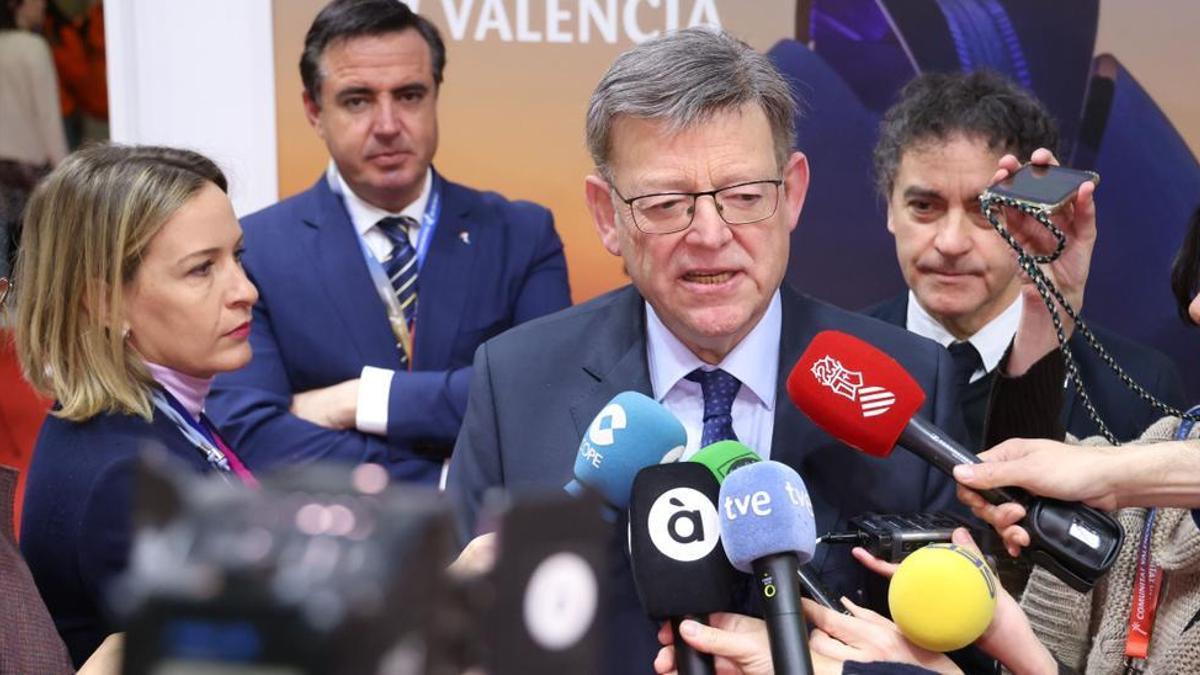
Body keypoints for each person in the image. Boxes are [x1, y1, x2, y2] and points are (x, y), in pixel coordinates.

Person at [446, 27, 969, 675]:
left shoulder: (909, 383)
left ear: (793, 193)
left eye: (745, 196)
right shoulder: (514, 383)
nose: (711, 235)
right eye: (667, 203)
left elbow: (950, 650)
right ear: (607, 214)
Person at [207, 0, 570, 484]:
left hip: (492, 546)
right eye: (357, 100)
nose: (387, 125)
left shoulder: (521, 234)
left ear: (435, 95)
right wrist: (445, 483)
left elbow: (543, 395)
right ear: (314, 111)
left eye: (409, 95)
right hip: (334, 543)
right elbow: (252, 434)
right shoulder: (255, 251)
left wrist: (363, 399)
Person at [14, 144, 260, 666]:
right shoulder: (122, 477)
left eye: (236, 257)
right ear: (103, 302)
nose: (246, 290)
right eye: (201, 270)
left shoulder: (148, 418)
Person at [863, 70, 1185, 452]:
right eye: (923, 207)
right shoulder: (833, 365)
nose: (950, 243)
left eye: (985, 210)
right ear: (889, 208)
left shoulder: (1138, 386)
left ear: (1037, 213)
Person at [952, 197, 1200, 673]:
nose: (1196, 306)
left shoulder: (1127, 471)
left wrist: (1109, 476)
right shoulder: (1168, 440)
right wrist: (1047, 304)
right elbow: (1027, 487)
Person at [0, 0, 67, 279]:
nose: (43, 5)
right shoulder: (32, 47)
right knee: (34, 271)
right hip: (28, 175)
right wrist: (67, 170)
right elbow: (48, 116)